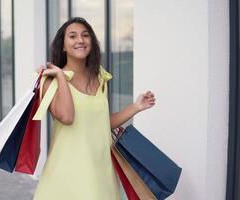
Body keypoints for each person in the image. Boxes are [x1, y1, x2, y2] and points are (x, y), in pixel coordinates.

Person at [33, 17, 156, 200]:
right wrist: (60, 75)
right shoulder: (50, 81)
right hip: (67, 171)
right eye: (72, 36)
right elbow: (67, 117)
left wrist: (136, 107)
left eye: (85, 35)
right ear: (63, 46)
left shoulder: (100, 77)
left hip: (101, 170)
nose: (80, 40)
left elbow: (100, 124)